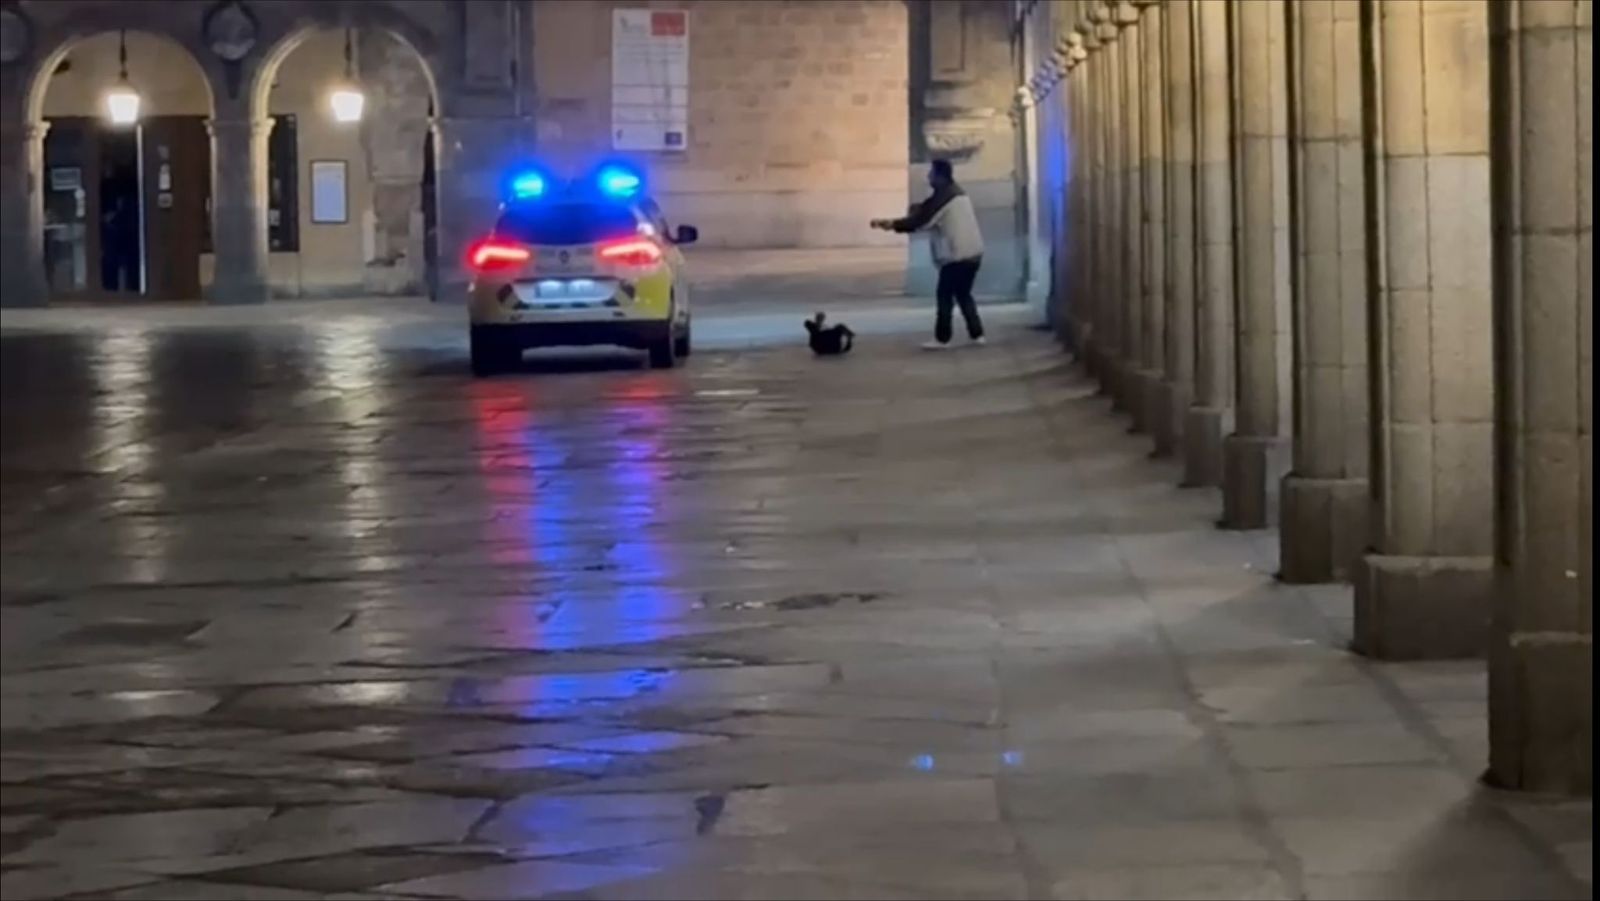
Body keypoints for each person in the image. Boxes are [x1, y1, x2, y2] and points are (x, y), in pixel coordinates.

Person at [870, 159, 986, 350]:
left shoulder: (945, 197)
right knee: (964, 295)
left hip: (956, 256)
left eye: (932, 173)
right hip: (973, 253)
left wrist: (893, 224)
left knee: (944, 297)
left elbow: (923, 220)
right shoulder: (956, 193)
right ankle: (977, 334)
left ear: (940, 176)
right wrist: (897, 222)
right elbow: (925, 210)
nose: (929, 177)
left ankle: (942, 339)